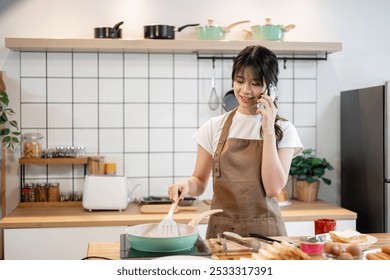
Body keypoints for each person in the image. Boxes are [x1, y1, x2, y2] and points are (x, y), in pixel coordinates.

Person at [168, 45, 303, 238]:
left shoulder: (284, 130)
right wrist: (186, 186)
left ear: (270, 87)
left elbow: (273, 188)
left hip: (266, 234)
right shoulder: (214, 126)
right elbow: (199, 182)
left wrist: (268, 130)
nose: (245, 90)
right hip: (221, 233)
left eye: (255, 83)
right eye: (240, 81)